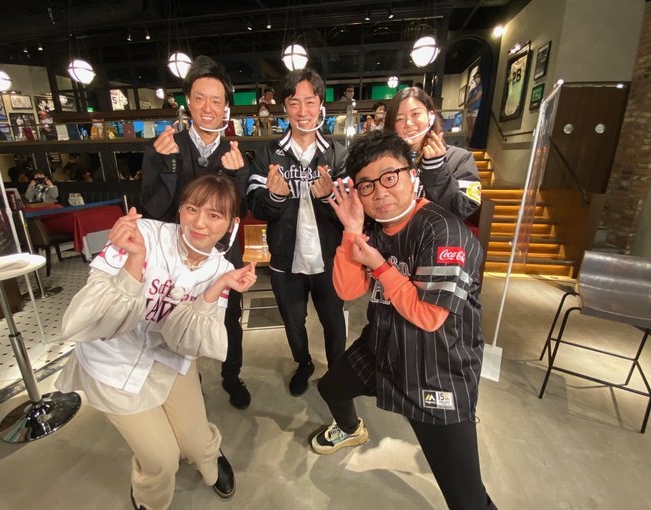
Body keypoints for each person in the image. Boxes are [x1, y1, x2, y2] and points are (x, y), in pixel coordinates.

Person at [310, 130, 496, 510]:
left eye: (389, 177)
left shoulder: (444, 231)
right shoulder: (373, 228)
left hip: (437, 369)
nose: (379, 192)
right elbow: (348, 290)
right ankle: (350, 429)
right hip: (382, 346)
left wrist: (380, 266)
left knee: (467, 499)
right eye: (367, 185)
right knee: (331, 387)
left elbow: (429, 317)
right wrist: (351, 231)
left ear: (412, 174)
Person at [56, 174, 257, 510]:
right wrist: (134, 261)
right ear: (180, 209)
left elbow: (188, 340)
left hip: (168, 356)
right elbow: (95, 317)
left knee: (196, 441)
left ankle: (208, 458)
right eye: (192, 209)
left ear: (231, 224)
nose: (199, 223)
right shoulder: (143, 234)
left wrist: (215, 288)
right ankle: (150, 500)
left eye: (214, 215)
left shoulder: (221, 268)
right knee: (162, 458)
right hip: (112, 362)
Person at [141, 55, 252, 410]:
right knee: (174, 320)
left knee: (230, 319)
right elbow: (155, 211)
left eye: (216, 101)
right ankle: (190, 384)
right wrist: (169, 164)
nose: (208, 108)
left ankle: (232, 376)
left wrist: (236, 176)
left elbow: (237, 215)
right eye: (200, 98)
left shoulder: (234, 154)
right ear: (187, 101)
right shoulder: (164, 146)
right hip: (174, 260)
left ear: (226, 107)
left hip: (222, 260)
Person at [247, 68, 347, 396]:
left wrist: (330, 196)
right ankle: (303, 364)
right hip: (285, 259)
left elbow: (351, 210)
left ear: (321, 105)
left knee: (334, 321)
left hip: (329, 259)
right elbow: (255, 205)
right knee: (293, 322)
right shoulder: (268, 153)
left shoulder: (337, 153)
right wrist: (274, 197)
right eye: (294, 103)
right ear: (285, 108)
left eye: (310, 101)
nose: (302, 111)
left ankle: (337, 370)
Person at [385, 87, 481, 219]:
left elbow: (462, 209)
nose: (408, 123)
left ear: (430, 116)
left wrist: (435, 169)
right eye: (399, 119)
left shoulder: (459, 158)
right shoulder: (383, 160)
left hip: (437, 230)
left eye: (415, 114)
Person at [465, 72, 483, 143]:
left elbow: (477, 98)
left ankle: (473, 141)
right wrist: (468, 106)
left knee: (473, 127)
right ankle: (468, 141)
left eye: (478, 77)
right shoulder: (473, 89)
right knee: (469, 127)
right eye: (475, 77)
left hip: (475, 109)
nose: (476, 79)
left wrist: (469, 104)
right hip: (469, 109)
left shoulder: (481, 87)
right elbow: (469, 99)